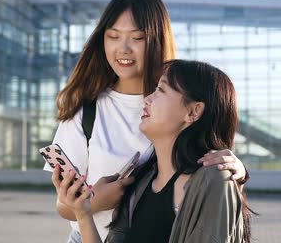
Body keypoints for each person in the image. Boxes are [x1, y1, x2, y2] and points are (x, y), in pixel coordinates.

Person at [44, 0, 249, 242]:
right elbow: (65, 207)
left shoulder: (173, 101)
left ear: (156, 40)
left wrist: (235, 170)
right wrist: (95, 201)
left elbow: (207, 155)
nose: (123, 49)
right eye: (113, 36)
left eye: (137, 37)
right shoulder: (86, 110)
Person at [54, 59, 253, 243]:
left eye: (161, 90)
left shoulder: (213, 180)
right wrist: (83, 212)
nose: (147, 99)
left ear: (193, 111)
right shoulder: (141, 180)